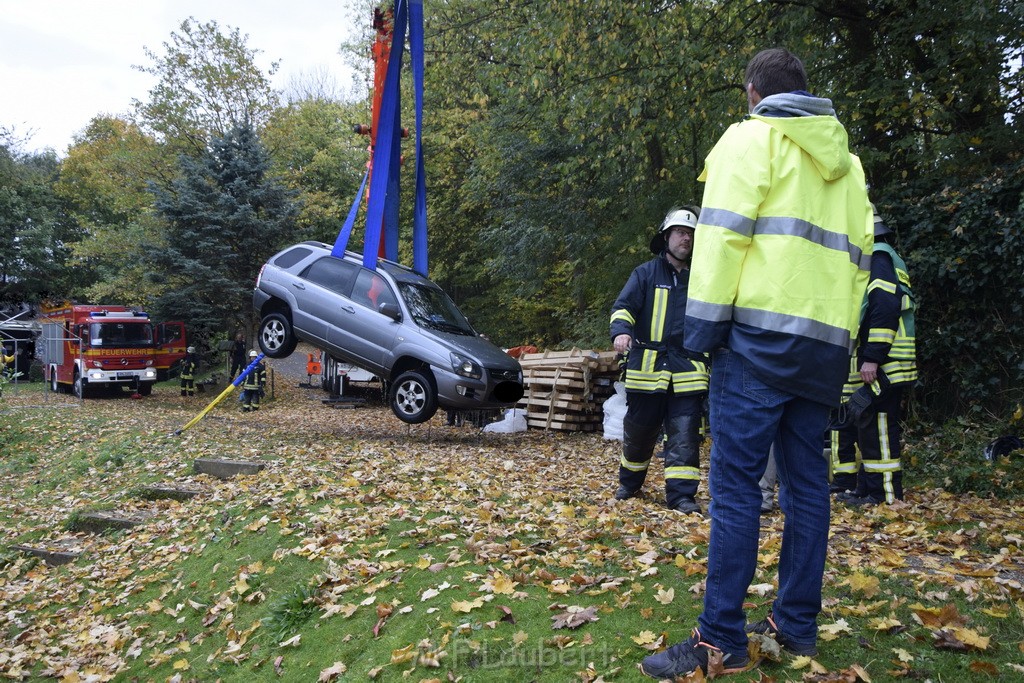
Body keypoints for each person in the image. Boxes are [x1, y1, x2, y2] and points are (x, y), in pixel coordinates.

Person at [640, 48, 873, 679]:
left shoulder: (750, 141)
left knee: (738, 490)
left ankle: (719, 640)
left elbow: (720, 243)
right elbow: (860, 263)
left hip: (754, 348)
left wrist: (703, 331)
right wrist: (841, 350)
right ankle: (796, 627)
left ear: (752, 93)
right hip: (821, 353)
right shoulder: (848, 168)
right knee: (808, 490)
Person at [609, 206, 709, 514]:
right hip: (647, 369)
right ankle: (630, 483)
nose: (686, 239)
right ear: (666, 237)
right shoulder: (645, 274)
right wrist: (621, 332)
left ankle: (681, 496)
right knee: (639, 432)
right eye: (680, 232)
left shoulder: (703, 279)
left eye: (691, 234)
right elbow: (623, 307)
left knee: (684, 435)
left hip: (688, 370)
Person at [832, 206, 917, 505]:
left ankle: (883, 494)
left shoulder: (879, 256)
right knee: (868, 424)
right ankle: (868, 489)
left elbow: (884, 307)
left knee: (879, 425)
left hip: (886, 361)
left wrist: (873, 357)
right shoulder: (883, 258)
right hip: (886, 360)